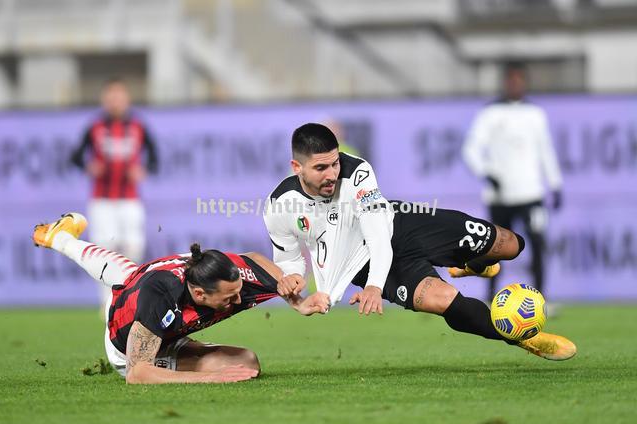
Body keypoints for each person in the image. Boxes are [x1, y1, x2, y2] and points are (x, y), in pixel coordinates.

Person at [264, 123, 576, 361]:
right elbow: (288, 259)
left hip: (400, 224)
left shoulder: (356, 171)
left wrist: (374, 287)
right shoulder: (280, 206)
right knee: (442, 300)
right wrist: (293, 281)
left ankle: (473, 264)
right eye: (321, 168)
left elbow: (377, 234)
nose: (332, 173)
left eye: (334, 164)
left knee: (511, 244)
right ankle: (522, 338)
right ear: (297, 167)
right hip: (365, 263)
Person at [33, 213, 328, 384]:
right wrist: (208, 379)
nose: (238, 302)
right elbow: (137, 374)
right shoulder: (161, 297)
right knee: (245, 361)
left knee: (124, 272)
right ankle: (62, 240)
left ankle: (60, 238)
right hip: (126, 348)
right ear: (199, 293)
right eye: (229, 298)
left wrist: (296, 300)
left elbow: (253, 259)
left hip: (137, 283)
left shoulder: (221, 275)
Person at [461, 61, 563, 298]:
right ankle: (490, 300)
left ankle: (540, 299)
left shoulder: (536, 114)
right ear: (505, 82)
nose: (515, 84)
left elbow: (546, 151)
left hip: (531, 195)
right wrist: (487, 173)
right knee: (495, 249)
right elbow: (470, 150)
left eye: (519, 79)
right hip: (501, 196)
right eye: (511, 79)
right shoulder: (490, 113)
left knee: (537, 245)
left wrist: (555, 184)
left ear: (525, 82)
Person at [70, 78, 159, 306]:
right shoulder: (95, 127)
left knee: (133, 247)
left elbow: (155, 158)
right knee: (104, 249)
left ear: (127, 99)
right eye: (111, 96)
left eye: (119, 96)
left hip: (130, 199)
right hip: (102, 200)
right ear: (104, 99)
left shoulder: (139, 127)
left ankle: (128, 298)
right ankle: (107, 303)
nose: (115, 101)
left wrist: (144, 170)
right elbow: (76, 156)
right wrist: (88, 166)